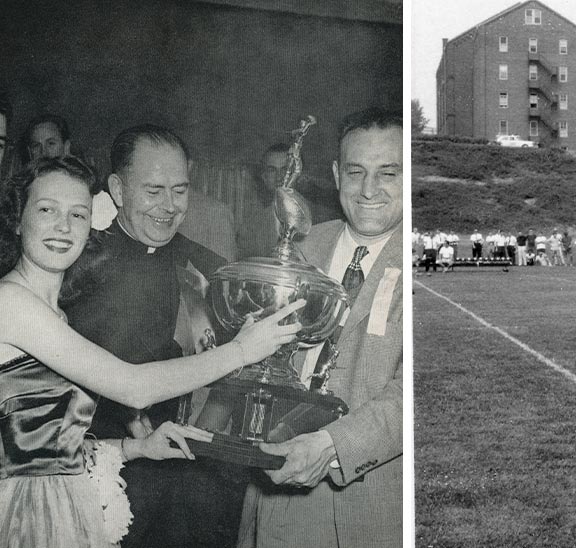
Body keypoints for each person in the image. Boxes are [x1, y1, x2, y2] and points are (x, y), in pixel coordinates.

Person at [0, 157, 301, 548]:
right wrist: (242, 350)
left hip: (60, 510)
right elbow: (133, 387)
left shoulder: (54, 313)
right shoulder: (11, 303)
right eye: (46, 210)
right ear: (18, 220)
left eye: (78, 213)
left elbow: (41, 450)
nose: (63, 226)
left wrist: (136, 447)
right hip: (26, 519)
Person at [64, 124, 246, 548]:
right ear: (118, 189)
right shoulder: (75, 259)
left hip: (169, 472)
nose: (169, 206)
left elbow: (233, 364)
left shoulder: (196, 261)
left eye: (179, 190)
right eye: (153, 190)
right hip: (81, 466)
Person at [239, 108, 404, 547]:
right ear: (335, 174)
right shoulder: (297, 246)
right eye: (356, 172)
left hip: (371, 509)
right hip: (276, 491)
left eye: (388, 173)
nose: (369, 190)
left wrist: (331, 445)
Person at [236, 143, 288, 259]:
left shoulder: (317, 222)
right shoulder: (249, 228)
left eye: (285, 169)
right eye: (272, 170)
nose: (279, 177)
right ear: (264, 177)